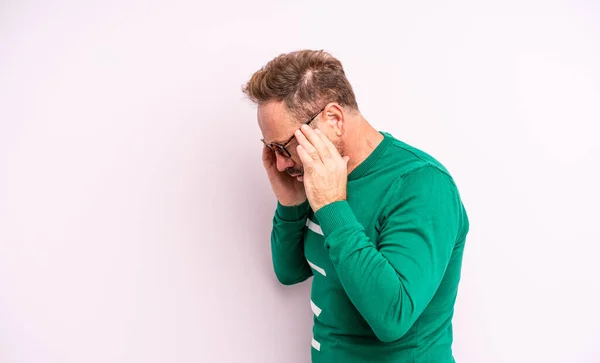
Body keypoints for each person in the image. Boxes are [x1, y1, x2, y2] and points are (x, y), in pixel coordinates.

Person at [242, 49, 469, 363]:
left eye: (285, 146)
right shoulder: (321, 173)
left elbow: (393, 317)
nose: (280, 163)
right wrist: (291, 205)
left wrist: (333, 205)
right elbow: (290, 271)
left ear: (333, 119)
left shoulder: (421, 185)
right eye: (270, 149)